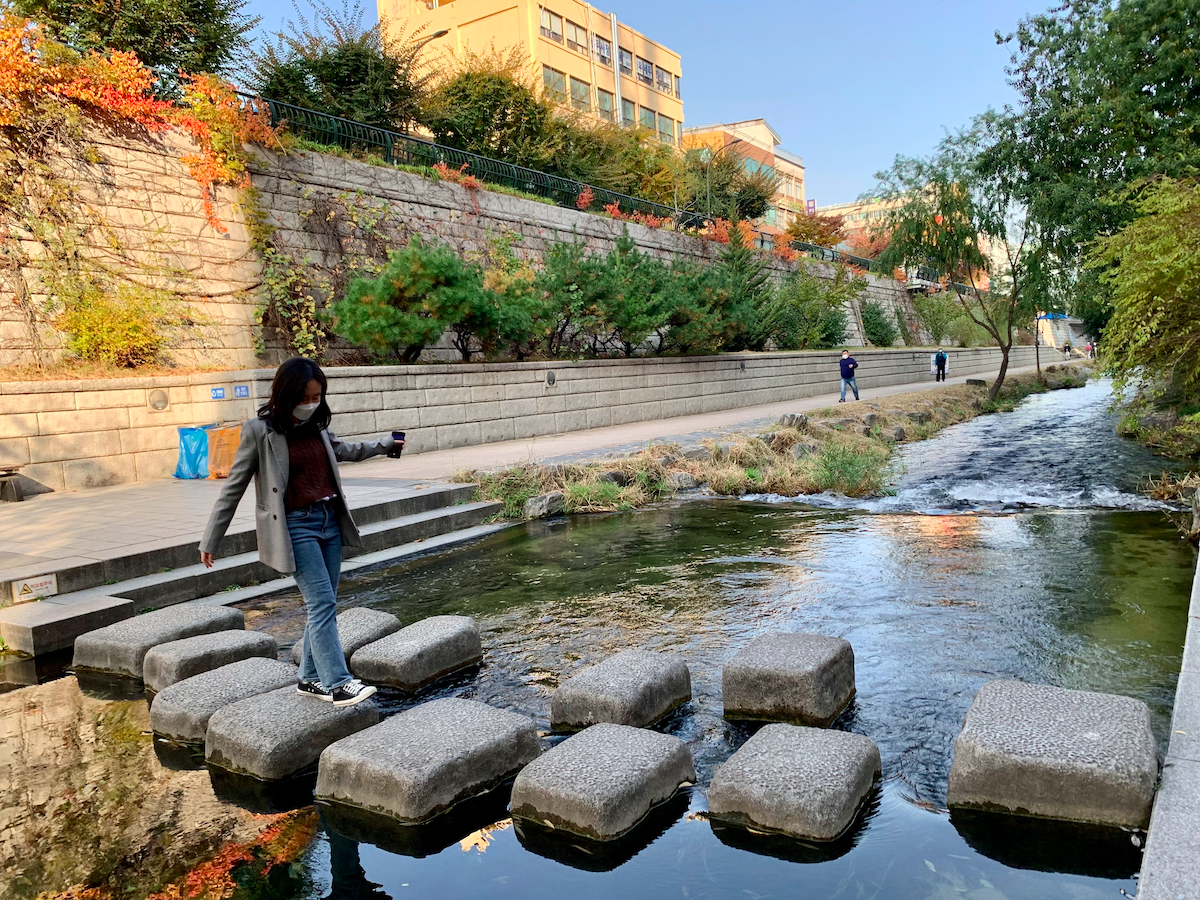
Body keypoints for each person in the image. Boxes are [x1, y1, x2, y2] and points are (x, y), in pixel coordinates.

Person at [198, 358, 402, 707]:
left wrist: (386, 444)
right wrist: (211, 540)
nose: (312, 403)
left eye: (317, 396)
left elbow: (345, 451)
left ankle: (309, 678)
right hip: (295, 526)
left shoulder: (318, 427)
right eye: (305, 396)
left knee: (323, 604)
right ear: (286, 393)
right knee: (322, 603)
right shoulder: (259, 431)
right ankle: (338, 683)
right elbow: (232, 487)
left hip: (328, 522)